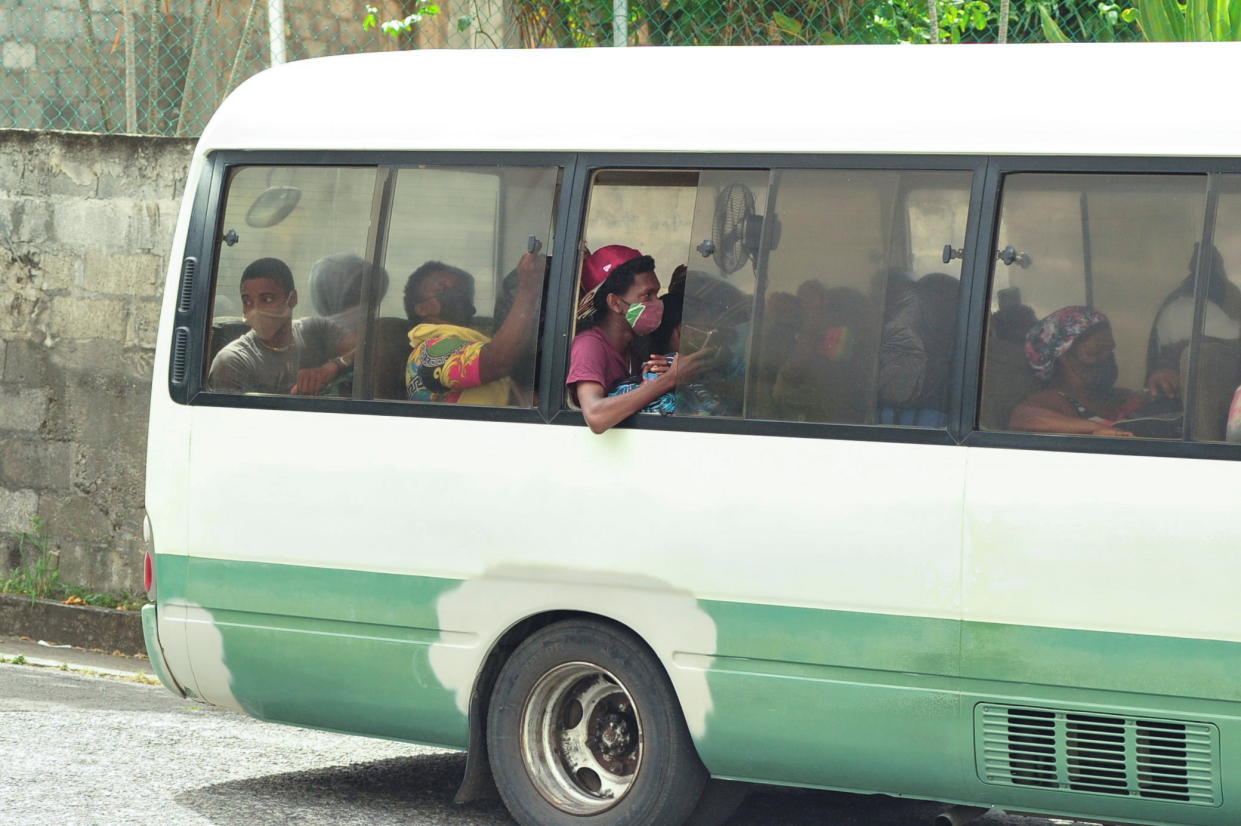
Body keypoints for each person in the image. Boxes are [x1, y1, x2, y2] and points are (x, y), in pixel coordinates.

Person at [566, 246, 711, 433]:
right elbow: (596, 416)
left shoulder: (633, 348)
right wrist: (669, 379)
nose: (657, 303)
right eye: (647, 295)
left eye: (657, 294)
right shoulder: (589, 346)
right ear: (615, 303)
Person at [403, 251, 543, 405]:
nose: (456, 295)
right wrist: (528, 289)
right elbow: (497, 362)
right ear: (422, 309)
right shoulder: (429, 351)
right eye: (442, 288)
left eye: (462, 292)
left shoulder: (475, 343)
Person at [207, 257, 355, 395]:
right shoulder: (232, 361)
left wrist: (333, 367)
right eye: (247, 302)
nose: (256, 309)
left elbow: (365, 349)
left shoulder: (314, 330)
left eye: (267, 299)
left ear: (292, 299)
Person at [1010, 306, 1149, 437]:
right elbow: (1025, 419)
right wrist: (1095, 428)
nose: (1107, 358)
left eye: (1110, 350)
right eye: (1095, 352)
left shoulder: (1117, 395)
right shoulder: (1055, 400)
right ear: (1061, 356)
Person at [1145, 244, 1241, 398]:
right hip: (1184, 401)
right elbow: (1234, 339)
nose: (1219, 275)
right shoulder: (1187, 305)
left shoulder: (1224, 294)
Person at [307, 252, 390, 396]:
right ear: (329, 297)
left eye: (368, 293)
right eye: (353, 295)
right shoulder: (308, 353)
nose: (363, 304)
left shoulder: (387, 336)